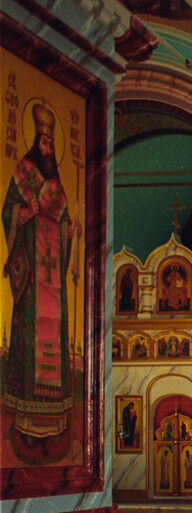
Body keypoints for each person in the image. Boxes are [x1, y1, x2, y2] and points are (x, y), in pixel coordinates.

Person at [2, 103, 79, 458]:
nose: (48, 147)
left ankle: (55, 423)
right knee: (30, 338)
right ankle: (27, 424)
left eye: (51, 141)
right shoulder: (24, 173)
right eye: (44, 141)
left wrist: (69, 229)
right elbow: (7, 212)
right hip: (33, 274)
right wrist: (24, 212)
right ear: (36, 141)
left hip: (54, 284)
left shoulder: (56, 184)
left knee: (55, 336)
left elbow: (61, 218)